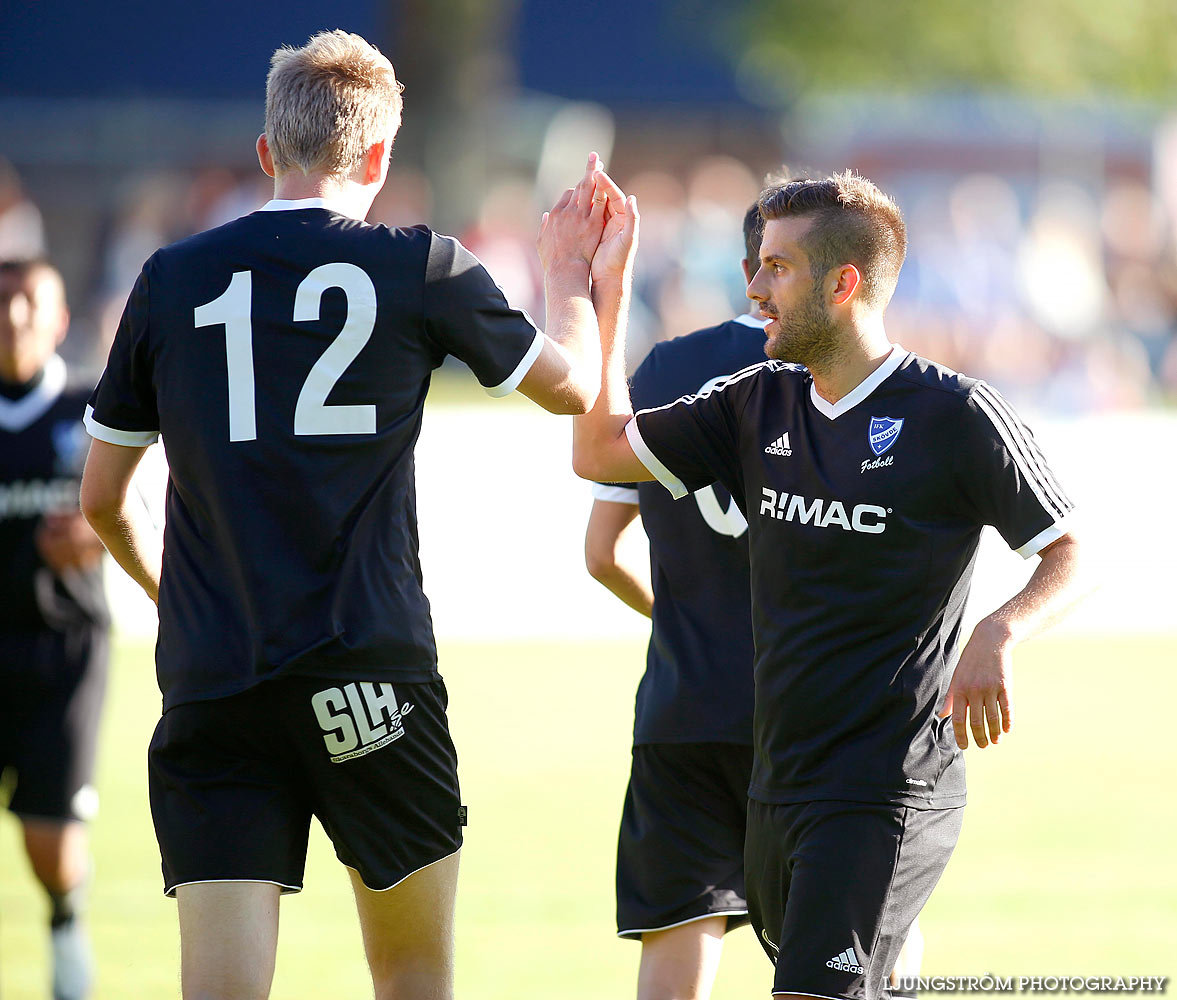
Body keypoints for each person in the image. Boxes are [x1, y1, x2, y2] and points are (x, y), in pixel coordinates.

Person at [78, 30, 609, 1000]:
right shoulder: (421, 264)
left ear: (265, 151)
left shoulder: (170, 277)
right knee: (411, 975)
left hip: (214, 675)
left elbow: (104, 498)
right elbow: (575, 389)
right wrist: (573, 278)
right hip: (367, 670)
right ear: (377, 157)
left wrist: (172, 590)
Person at [572, 170, 1087, 1000]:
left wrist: (998, 632)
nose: (753, 286)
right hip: (775, 785)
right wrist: (604, 288)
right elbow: (596, 453)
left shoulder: (955, 415)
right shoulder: (755, 401)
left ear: (842, 284)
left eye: (775, 267)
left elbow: (1072, 552)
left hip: (885, 787)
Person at [586, 200, 924, 1000]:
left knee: (679, 940)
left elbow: (601, 555)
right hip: (829, 717)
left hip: (688, 703)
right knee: (868, 948)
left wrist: (687, 620)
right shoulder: (866, 382)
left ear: (751, 274)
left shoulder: (666, 367)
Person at [1, 259, 109, 1000]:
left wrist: (100, 535)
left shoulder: (93, 409)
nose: (13, 322)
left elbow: (156, 509)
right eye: (3, 306)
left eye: (29, 306)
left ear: (59, 320)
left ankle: (65, 922)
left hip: (63, 651)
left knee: (50, 844)